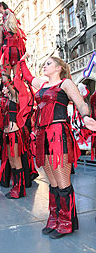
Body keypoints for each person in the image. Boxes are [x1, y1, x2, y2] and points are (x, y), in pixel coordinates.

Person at [19, 54, 96, 238]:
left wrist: (86, 117)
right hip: (42, 135)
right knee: (52, 182)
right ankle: (54, 218)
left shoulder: (65, 84)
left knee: (62, 182)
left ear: (58, 67)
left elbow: (81, 104)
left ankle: (66, 221)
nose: (44, 66)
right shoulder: (42, 84)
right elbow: (27, 76)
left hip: (58, 133)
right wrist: (21, 60)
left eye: (48, 63)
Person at [0, 1, 26, 77]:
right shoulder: (4, 17)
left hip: (8, 46)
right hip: (15, 45)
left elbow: (10, 13)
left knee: (6, 74)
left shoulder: (7, 12)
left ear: (1, 6)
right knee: (16, 73)